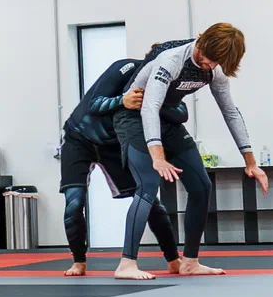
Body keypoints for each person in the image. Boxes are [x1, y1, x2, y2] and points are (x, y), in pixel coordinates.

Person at [111, 24, 268, 280]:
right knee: (148, 186)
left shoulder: (215, 70)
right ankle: (126, 264)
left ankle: (190, 261)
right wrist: (158, 157)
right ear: (201, 42)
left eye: (216, 63)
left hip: (168, 119)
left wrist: (250, 161)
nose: (209, 65)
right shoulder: (170, 60)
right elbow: (149, 107)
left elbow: (230, 112)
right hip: (134, 118)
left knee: (201, 186)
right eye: (208, 58)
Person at [59, 56, 188, 276]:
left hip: (113, 145)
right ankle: (78, 261)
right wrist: (122, 100)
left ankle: (173, 259)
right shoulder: (126, 67)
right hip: (79, 137)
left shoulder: (163, 84)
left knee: (147, 201)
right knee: (74, 201)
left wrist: (157, 102)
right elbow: (94, 103)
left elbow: (181, 113)